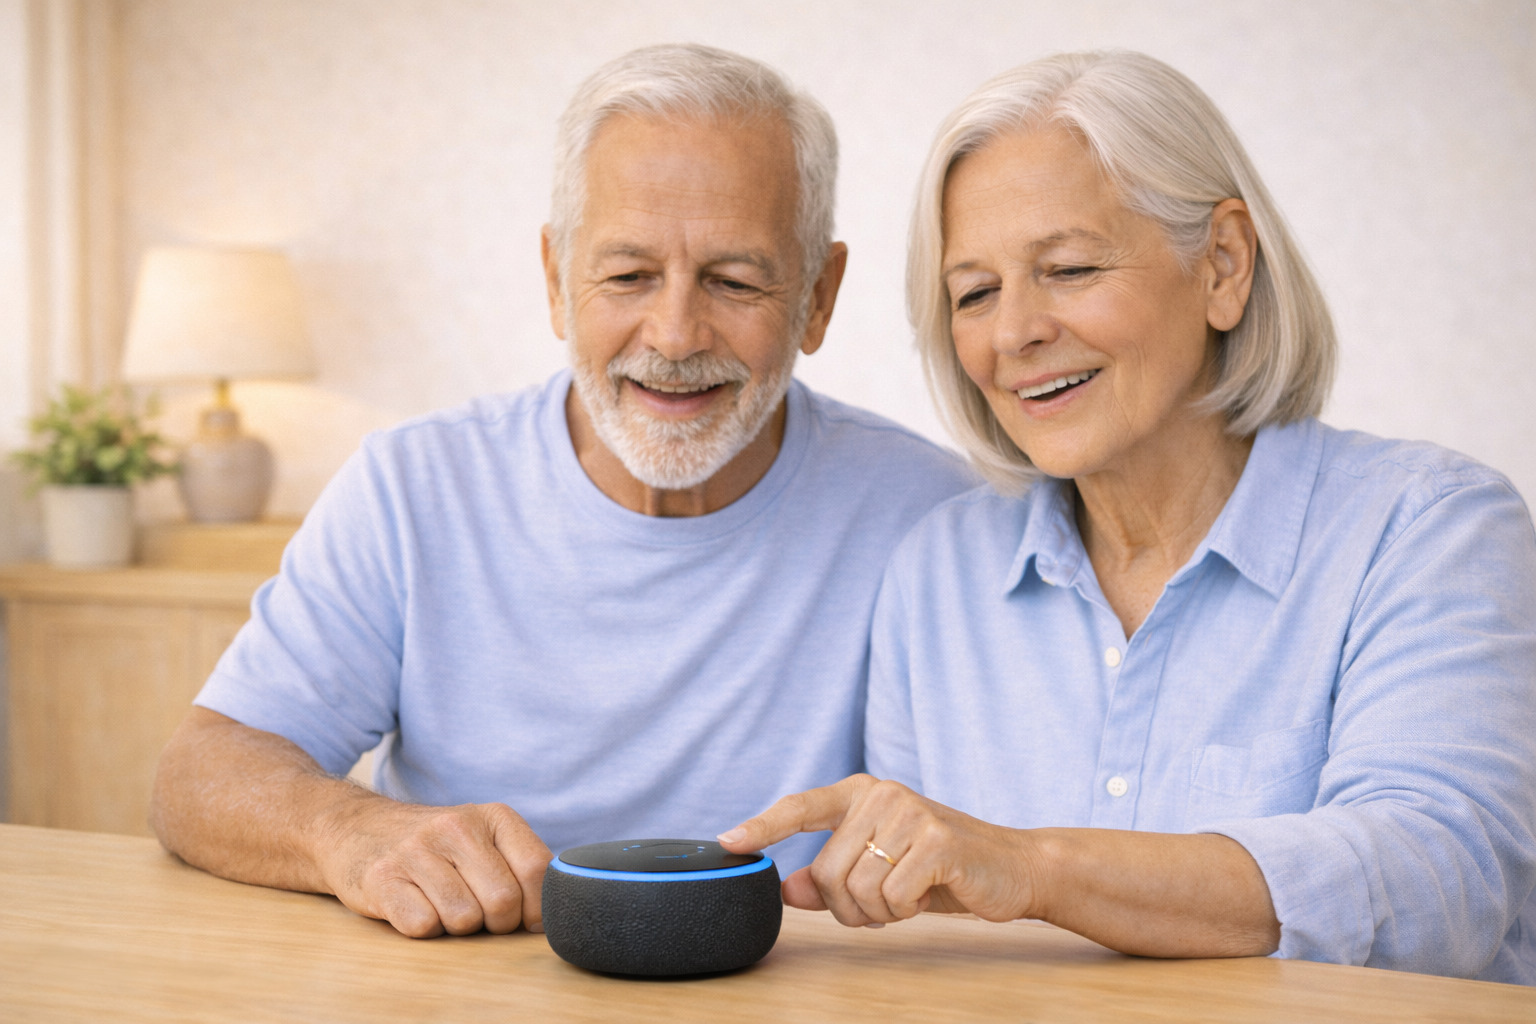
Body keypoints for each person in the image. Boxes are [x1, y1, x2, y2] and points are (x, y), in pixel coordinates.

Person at [719, 50, 1536, 984]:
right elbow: (929, 952)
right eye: (974, 292)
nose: (1015, 332)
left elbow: (1442, 887)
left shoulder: (1430, 528)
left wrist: (1030, 866)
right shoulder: (938, 571)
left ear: (1223, 265)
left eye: (1068, 267)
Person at [149, 43, 975, 940]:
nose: (672, 333)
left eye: (735, 282)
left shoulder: (932, 515)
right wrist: (350, 831)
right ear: (555, 280)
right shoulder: (412, 489)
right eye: (626, 276)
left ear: (817, 296)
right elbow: (198, 775)